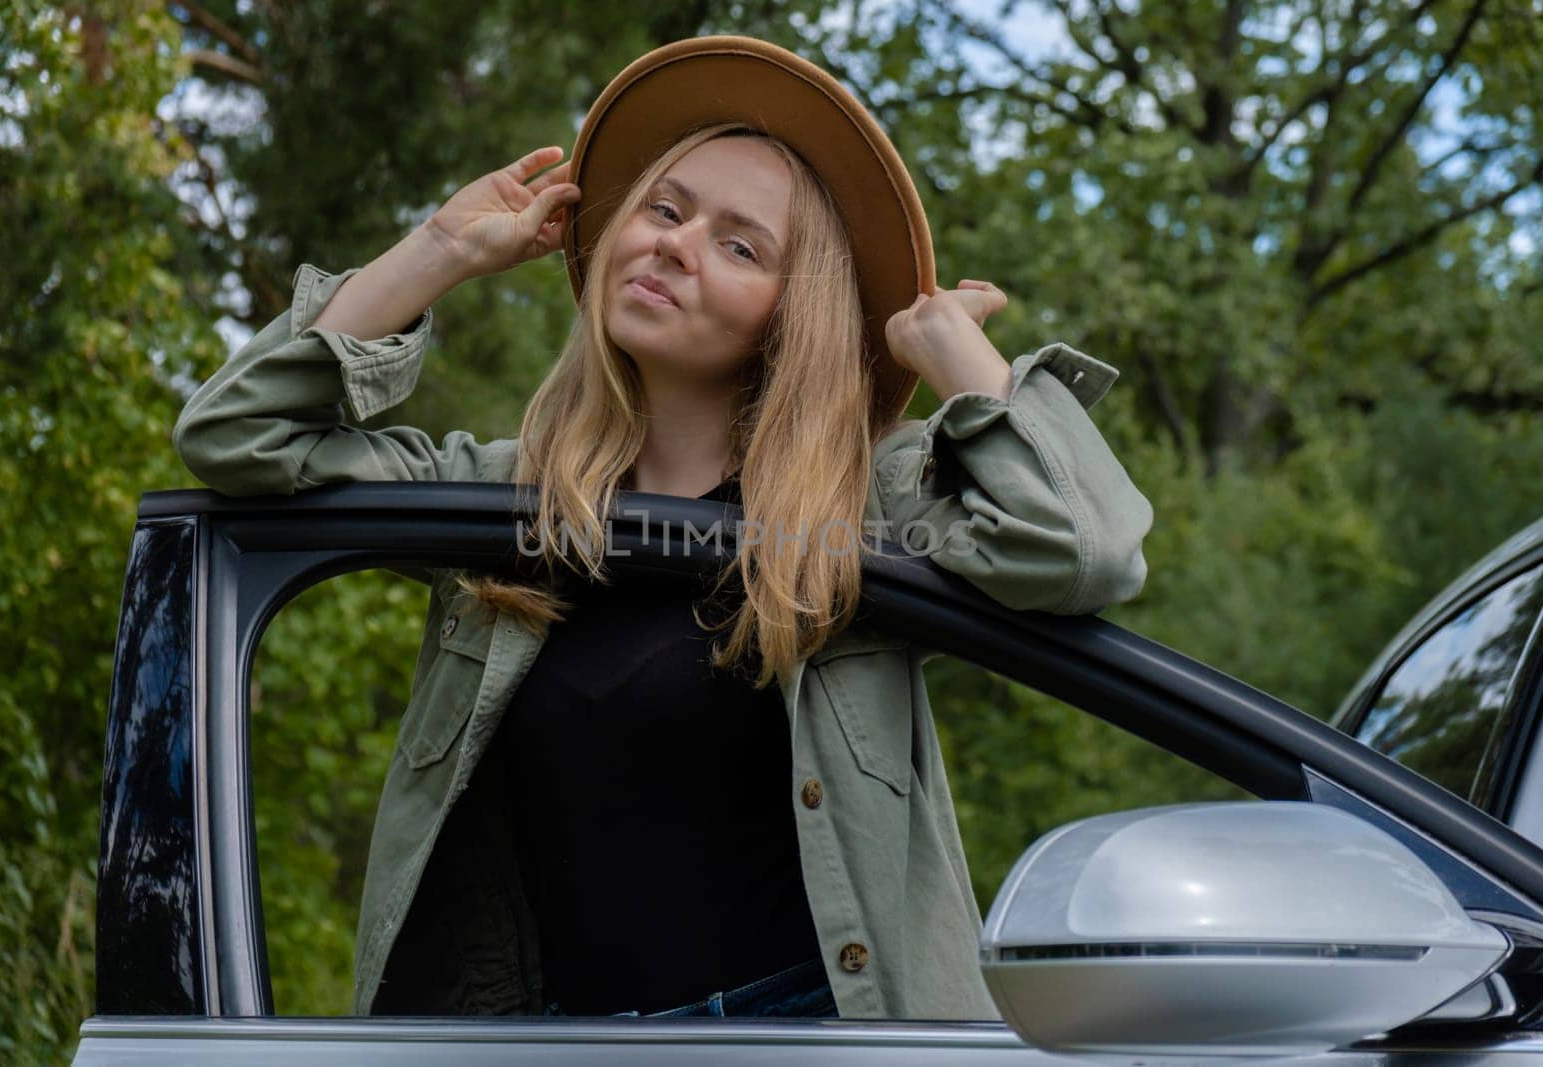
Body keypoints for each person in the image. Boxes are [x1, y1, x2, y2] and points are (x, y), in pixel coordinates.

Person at [172, 35, 1153, 1021]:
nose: (675, 243)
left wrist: (956, 352)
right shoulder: (503, 500)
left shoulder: (864, 509)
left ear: (789, 313)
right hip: (562, 1049)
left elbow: (1085, 547)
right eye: (664, 208)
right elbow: (236, 435)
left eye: (738, 244)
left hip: (811, 1037)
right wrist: (438, 251)